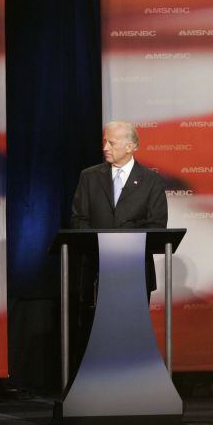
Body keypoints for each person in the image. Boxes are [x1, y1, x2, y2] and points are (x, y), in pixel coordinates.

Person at [68, 121, 168, 371]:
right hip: (97, 270)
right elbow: (78, 220)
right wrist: (102, 243)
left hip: (135, 271)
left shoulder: (151, 181)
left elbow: (157, 226)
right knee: (100, 334)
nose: (105, 147)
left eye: (111, 142)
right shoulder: (89, 177)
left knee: (133, 333)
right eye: (105, 141)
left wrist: (120, 236)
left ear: (130, 146)